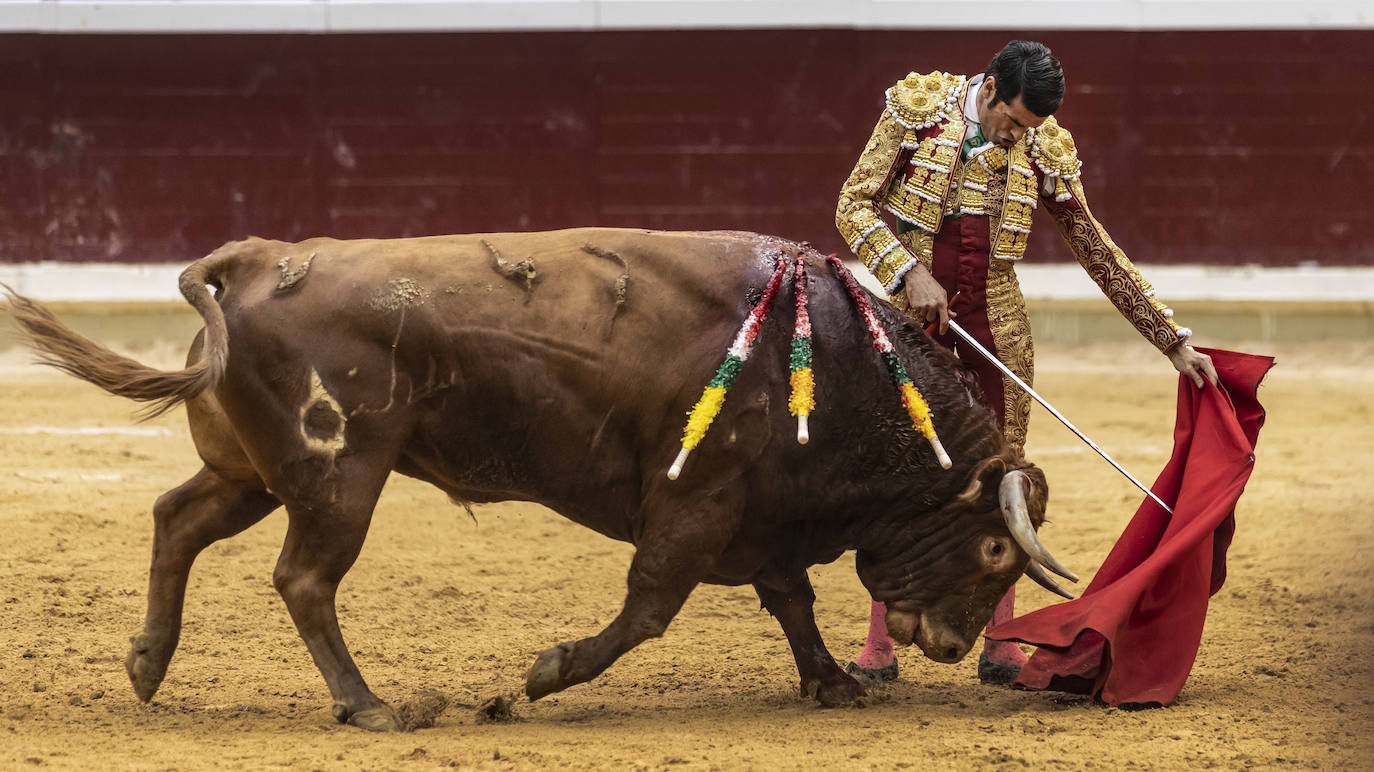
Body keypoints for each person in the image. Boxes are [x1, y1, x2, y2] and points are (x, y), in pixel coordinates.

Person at [835, 40, 1218, 684]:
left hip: (998, 328)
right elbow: (853, 204)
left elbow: (1095, 247)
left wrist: (1171, 339)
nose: (1017, 136)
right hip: (908, 326)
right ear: (988, 89)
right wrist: (907, 273)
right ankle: (881, 647)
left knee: (1002, 483)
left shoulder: (1044, 148)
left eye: (1029, 128)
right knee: (902, 473)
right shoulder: (917, 110)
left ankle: (1000, 641)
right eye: (1012, 120)